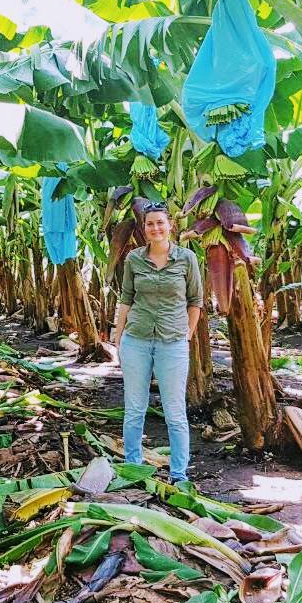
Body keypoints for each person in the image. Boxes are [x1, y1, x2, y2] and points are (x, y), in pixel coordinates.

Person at [113, 202, 203, 484]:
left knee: (174, 413)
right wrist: (118, 335)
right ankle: (133, 468)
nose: (155, 228)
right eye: (150, 224)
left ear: (170, 226)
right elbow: (126, 298)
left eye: (160, 222)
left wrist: (188, 334)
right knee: (134, 410)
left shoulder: (186, 258)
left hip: (172, 342)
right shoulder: (134, 259)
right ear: (144, 228)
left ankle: (178, 474)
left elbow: (196, 301)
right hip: (136, 340)